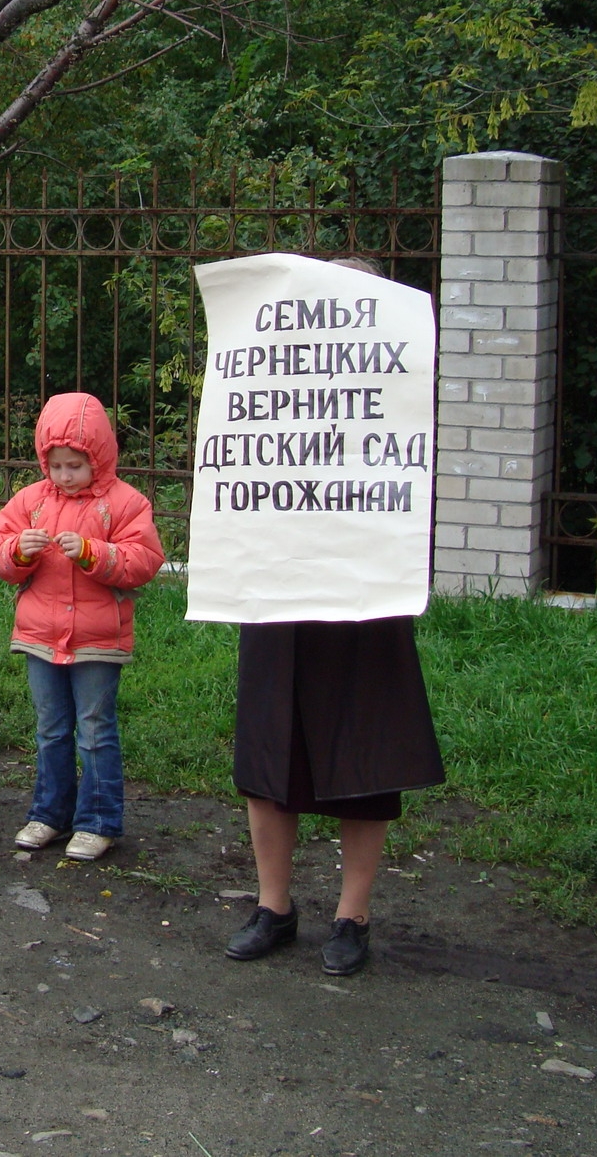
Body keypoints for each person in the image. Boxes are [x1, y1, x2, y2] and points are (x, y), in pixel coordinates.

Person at [221, 258, 444, 977]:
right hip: (277, 588)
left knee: (365, 752)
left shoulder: (398, 375)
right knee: (269, 754)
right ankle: (273, 906)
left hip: (364, 594)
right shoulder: (263, 373)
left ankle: (354, 916)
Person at [0, 392, 165, 863]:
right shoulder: (30, 501)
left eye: (76, 466)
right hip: (41, 638)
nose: (64, 476)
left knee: (95, 730)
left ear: (99, 460)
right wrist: (19, 550)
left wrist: (93, 553)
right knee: (51, 728)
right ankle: (49, 813)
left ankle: (98, 821)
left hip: (97, 641)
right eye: (57, 465)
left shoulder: (124, 504)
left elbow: (143, 561)